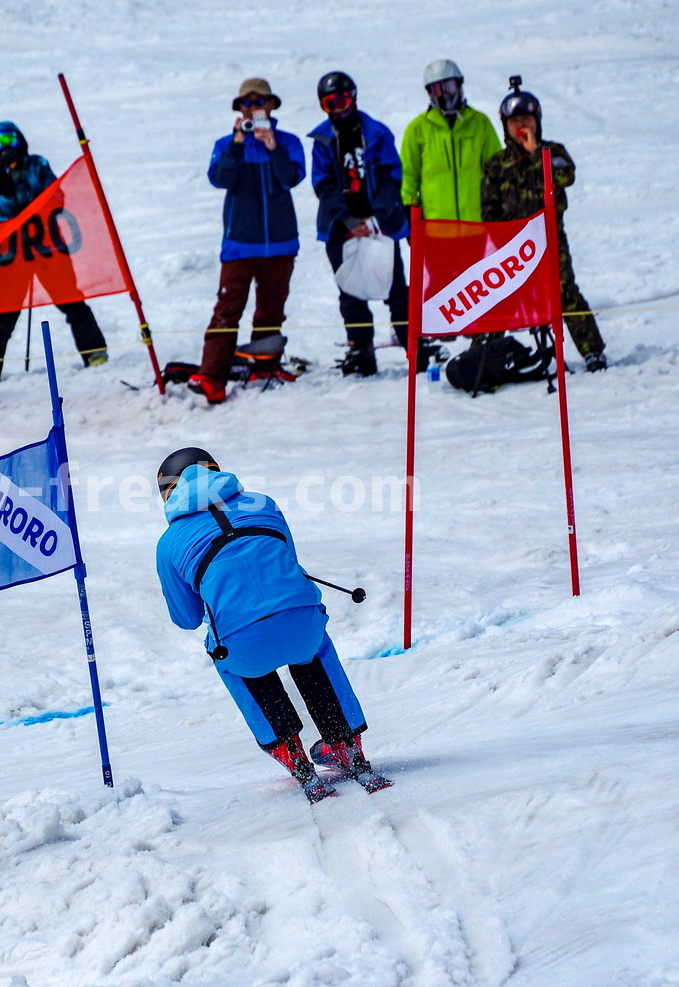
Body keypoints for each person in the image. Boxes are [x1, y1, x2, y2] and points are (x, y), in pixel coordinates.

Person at [154, 448, 389, 802]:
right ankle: (345, 744)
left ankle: (289, 751)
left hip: (241, 642)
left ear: (168, 493)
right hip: (301, 622)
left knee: (225, 653)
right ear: (216, 472)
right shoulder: (263, 502)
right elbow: (289, 562)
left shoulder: (169, 543)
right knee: (314, 645)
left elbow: (186, 619)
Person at [187, 78, 306, 405]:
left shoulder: (288, 142)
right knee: (227, 312)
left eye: (260, 103)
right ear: (239, 109)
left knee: (271, 311)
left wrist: (272, 147)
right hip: (239, 244)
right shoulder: (226, 143)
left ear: (271, 106)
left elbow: (292, 177)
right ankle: (212, 376)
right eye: (246, 104)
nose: (253, 109)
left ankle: (264, 368)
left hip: (281, 244)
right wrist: (239, 142)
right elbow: (219, 178)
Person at [480, 79, 607, 372]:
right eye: (515, 121)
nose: (521, 125)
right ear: (505, 125)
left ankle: (592, 351)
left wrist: (536, 151)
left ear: (537, 121)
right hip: (513, 246)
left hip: (550, 239)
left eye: (527, 119)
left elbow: (564, 178)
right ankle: (483, 358)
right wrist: (503, 239)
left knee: (565, 293)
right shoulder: (496, 164)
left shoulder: (553, 152)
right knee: (500, 299)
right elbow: (489, 208)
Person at [0, 121, 108, 383]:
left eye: (11, 139)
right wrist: (5, 177)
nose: (7, 147)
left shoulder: (38, 165)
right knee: (4, 310)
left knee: (70, 299)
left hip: (48, 249)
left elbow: (56, 198)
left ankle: (94, 352)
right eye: (0, 142)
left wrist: (27, 186)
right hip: (11, 255)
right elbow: (0, 208)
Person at [308, 72, 416, 377]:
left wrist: (376, 216)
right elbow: (323, 183)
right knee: (350, 288)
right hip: (340, 226)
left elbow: (392, 175)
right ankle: (360, 346)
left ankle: (412, 342)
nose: (338, 108)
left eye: (342, 100)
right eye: (329, 103)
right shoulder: (323, 140)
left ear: (353, 97)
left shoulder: (377, 133)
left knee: (395, 286)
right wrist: (348, 219)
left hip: (378, 224)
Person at [400, 59, 501, 222]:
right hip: (435, 230)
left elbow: (496, 169)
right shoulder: (418, 129)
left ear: (460, 86)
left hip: (476, 226)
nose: (445, 94)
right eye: (438, 89)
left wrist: (496, 210)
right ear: (430, 93)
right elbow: (408, 177)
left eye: (449, 87)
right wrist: (411, 213)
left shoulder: (480, 123)